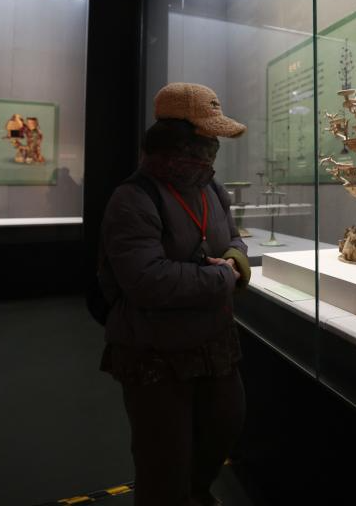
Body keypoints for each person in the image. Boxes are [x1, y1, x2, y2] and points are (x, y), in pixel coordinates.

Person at [99, 83, 251, 506]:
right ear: (180, 138)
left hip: (214, 342)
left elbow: (235, 240)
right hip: (154, 351)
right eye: (208, 136)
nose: (214, 145)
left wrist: (234, 261)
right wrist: (222, 277)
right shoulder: (133, 197)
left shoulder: (211, 189)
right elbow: (147, 280)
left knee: (222, 428)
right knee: (163, 462)